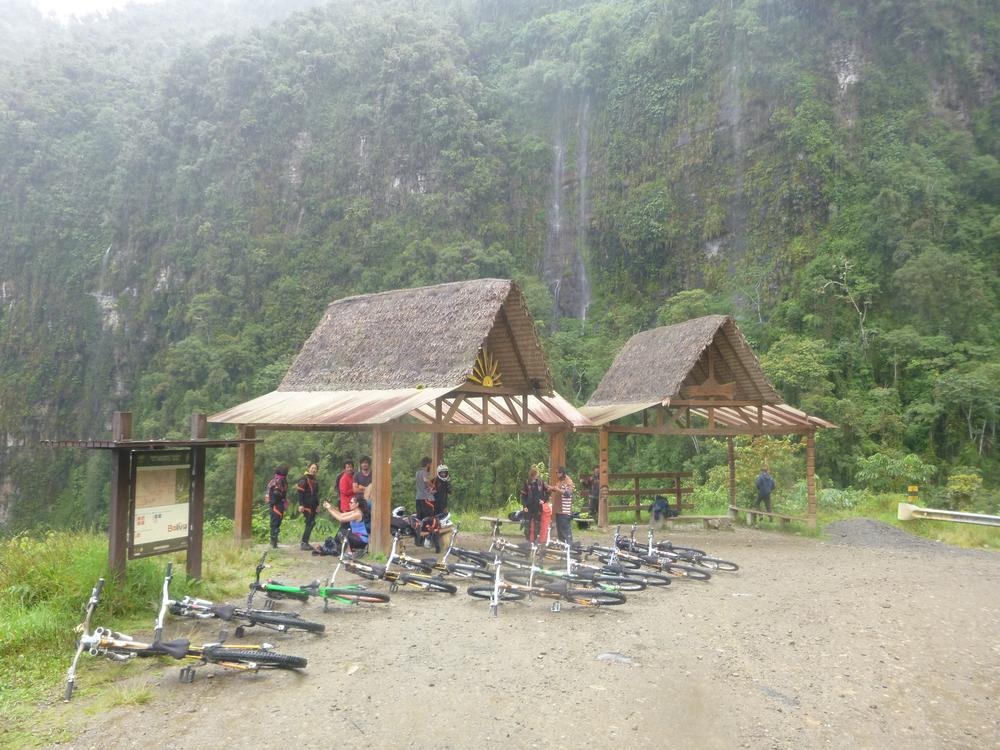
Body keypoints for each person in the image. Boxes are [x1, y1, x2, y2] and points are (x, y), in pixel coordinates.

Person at [519, 467, 548, 542]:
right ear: (531, 475)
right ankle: (528, 541)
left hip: (538, 507)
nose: (534, 477)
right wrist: (524, 506)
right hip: (528, 506)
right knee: (527, 524)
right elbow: (523, 496)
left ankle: (535, 541)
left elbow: (548, 491)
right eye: (533, 475)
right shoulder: (527, 482)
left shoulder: (541, 482)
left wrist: (543, 500)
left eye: (535, 475)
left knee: (537, 525)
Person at [295, 463, 320, 550]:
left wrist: (318, 505)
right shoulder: (303, 479)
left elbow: (316, 494)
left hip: (313, 505)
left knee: (312, 523)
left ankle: (305, 542)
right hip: (306, 505)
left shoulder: (315, 480)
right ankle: (304, 542)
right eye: (312, 468)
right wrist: (300, 505)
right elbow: (300, 493)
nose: (314, 470)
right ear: (308, 468)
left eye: (315, 469)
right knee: (310, 522)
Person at [265, 465, 289, 549]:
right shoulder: (276, 481)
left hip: (279, 505)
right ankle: (273, 542)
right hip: (276, 505)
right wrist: (273, 502)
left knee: (276, 524)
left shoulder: (282, 481)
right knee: (275, 524)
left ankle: (274, 542)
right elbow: (270, 494)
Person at [552, 466, 575, 545]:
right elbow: (559, 490)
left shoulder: (568, 481)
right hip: (558, 510)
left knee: (565, 531)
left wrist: (558, 489)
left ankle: (570, 547)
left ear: (562, 473)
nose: (557, 474)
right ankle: (562, 547)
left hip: (564, 511)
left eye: (558, 473)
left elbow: (568, 493)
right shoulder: (560, 481)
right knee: (560, 531)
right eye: (556, 473)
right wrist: (552, 488)